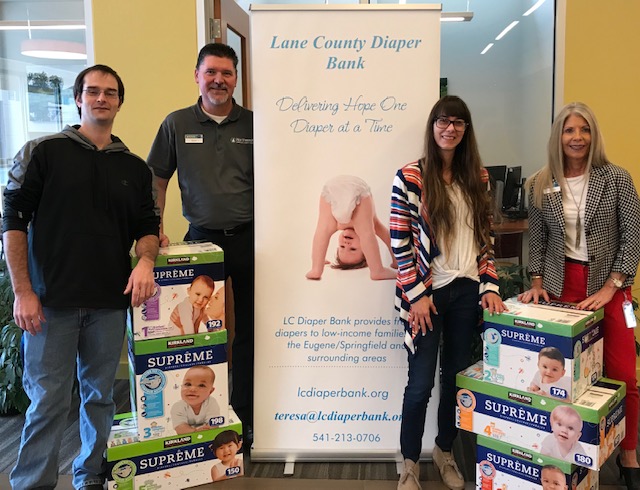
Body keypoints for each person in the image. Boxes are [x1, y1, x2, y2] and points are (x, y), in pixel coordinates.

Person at [3, 64, 160, 490]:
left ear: (120, 102)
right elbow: (13, 223)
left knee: (101, 399)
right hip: (49, 304)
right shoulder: (43, 152)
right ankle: (32, 484)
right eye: (92, 91)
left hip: (109, 304)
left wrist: (145, 261)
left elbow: (148, 226)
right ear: (78, 99)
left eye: (110, 92)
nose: (101, 99)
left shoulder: (134, 167)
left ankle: (89, 478)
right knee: (49, 402)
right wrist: (23, 292)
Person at [518, 102, 640, 488]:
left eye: (584, 130)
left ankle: (629, 453)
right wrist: (537, 282)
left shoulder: (617, 178)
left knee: (622, 374)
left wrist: (611, 287)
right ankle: (572, 456)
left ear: (593, 135)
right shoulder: (540, 182)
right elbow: (536, 238)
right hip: (561, 286)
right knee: (567, 381)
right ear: (559, 136)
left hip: (612, 285)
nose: (577, 138)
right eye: (569, 130)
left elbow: (632, 237)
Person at [391, 95, 506, 490]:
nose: (450, 128)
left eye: (458, 122)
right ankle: (408, 462)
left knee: (455, 379)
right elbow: (400, 242)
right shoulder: (410, 177)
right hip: (426, 295)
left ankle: (443, 451)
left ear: (466, 129)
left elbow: (485, 240)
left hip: (465, 291)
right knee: (420, 384)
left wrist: (489, 286)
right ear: (433, 126)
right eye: (443, 121)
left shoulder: (479, 176)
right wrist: (417, 295)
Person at [147, 43, 255, 434]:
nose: (219, 80)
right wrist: (155, 227)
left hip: (250, 242)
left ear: (236, 79)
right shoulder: (176, 124)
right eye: (211, 72)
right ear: (197, 75)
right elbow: (157, 180)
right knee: (201, 333)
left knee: (247, 331)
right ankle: (204, 414)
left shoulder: (253, 124)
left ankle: (244, 413)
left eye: (227, 73)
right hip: (200, 246)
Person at [306, 175, 397, 280]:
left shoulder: (335, 223)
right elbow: (385, 235)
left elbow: (320, 236)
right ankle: (377, 270)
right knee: (366, 233)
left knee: (323, 231)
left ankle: (316, 268)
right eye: (353, 249)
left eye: (342, 247)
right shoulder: (370, 223)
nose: (347, 244)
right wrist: (396, 258)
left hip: (331, 190)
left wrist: (319, 259)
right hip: (357, 191)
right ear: (367, 251)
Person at [171, 365, 221, 434]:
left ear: (210, 391)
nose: (192, 389)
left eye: (201, 385)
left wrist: (207, 430)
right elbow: (180, 428)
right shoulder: (177, 407)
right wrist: (195, 432)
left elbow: (214, 424)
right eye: (188, 384)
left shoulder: (211, 402)